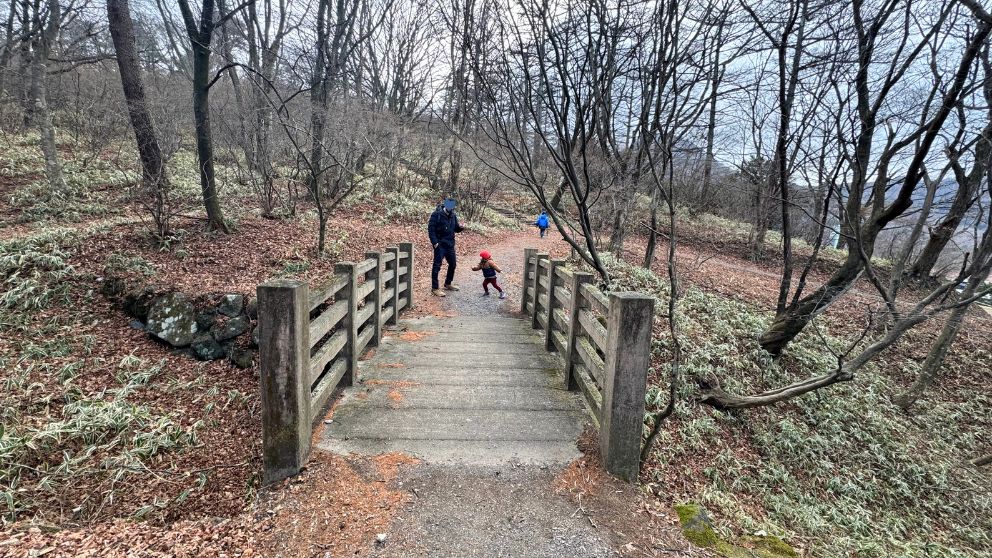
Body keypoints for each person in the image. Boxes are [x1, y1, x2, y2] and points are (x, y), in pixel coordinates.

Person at [428, 198, 464, 297]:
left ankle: (448, 283)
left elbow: (455, 228)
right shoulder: (436, 214)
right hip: (440, 245)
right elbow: (431, 230)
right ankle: (435, 288)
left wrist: (460, 227)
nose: (451, 208)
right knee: (437, 266)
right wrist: (435, 243)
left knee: (453, 264)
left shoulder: (453, 215)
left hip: (450, 245)